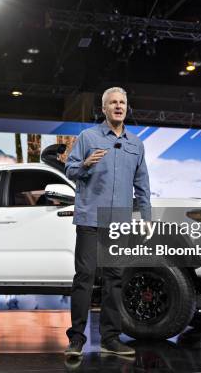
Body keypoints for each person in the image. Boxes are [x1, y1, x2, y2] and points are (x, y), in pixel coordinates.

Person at [64, 87, 151, 357]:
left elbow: (142, 185)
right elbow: (70, 170)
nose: (118, 106)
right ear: (103, 108)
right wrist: (86, 164)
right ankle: (76, 338)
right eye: (112, 102)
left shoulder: (136, 144)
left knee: (115, 280)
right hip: (90, 217)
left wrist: (146, 218)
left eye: (122, 102)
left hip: (119, 222)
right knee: (85, 278)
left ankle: (110, 338)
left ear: (127, 107)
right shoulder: (88, 137)